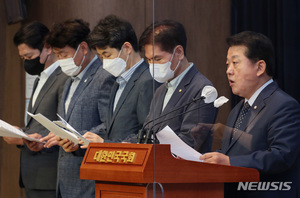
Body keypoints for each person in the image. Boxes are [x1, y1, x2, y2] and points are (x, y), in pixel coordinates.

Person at [200, 31, 300, 198]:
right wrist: (204, 160)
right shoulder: (238, 109)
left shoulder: (284, 105)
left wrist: (229, 162)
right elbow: (230, 152)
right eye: (227, 64)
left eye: (235, 63)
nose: (229, 71)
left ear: (260, 67)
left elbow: (281, 155)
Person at [40, 19, 115, 198]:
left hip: (88, 182)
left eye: (63, 54)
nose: (60, 60)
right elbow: (66, 124)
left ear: (83, 48)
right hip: (65, 181)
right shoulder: (68, 80)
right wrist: (46, 138)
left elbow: (110, 126)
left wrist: (77, 138)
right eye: (57, 55)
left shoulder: (105, 77)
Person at [2, 21, 68, 198]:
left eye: (29, 57)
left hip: (49, 173)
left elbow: (66, 124)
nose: (26, 63)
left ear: (47, 48)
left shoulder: (64, 77)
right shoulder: (40, 79)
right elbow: (37, 124)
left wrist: (30, 138)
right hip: (32, 174)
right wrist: (22, 134)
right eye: (23, 58)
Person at [75, 15, 159, 146]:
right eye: (101, 56)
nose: (104, 62)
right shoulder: (117, 81)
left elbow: (147, 134)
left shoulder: (147, 81)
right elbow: (111, 128)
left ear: (127, 48)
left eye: (107, 55)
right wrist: (82, 138)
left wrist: (105, 143)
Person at [137, 20, 218, 152]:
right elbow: (147, 133)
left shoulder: (202, 89)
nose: (152, 65)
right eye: (149, 60)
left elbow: (190, 142)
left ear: (179, 52)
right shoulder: (160, 90)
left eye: (157, 59)